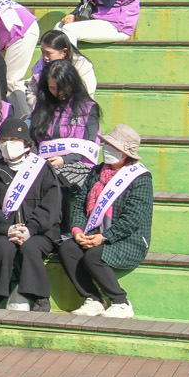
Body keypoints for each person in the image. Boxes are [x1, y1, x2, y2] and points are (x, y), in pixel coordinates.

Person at [0, 118, 65, 312]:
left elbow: (51, 205)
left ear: (26, 144)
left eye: (14, 140)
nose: (8, 145)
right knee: (2, 248)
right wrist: (7, 228)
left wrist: (31, 228)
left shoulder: (42, 169)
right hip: (5, 231)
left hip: (41, 232)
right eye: (4, 140)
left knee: (30, 248)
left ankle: (40, 298)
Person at [59, 124, 153, 318]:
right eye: (108, 145)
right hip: (94, 233)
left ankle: (120, 302)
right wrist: (77, 230)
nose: (108, 149)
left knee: (93, 256)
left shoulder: (140, 178)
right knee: (68, 249)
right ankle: (93, 298)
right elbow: (81, 205)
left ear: (126, 154)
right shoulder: (96, 172)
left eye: (114, 147)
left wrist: (103, 238)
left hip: (127, 239)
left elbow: (132, 219)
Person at [31, 59, 103, 194]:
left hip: (77, 165)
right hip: (45, 163)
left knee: (52, 181)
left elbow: (89, 143)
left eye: (63, 87)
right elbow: (34, 138)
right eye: (52, 88)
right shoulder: (42, 106)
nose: (59, 93)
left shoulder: (88, 108)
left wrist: (64, 159)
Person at [28, 29, 98, 108]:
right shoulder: (41, 65)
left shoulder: (81, 65)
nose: (45, 57)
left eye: (48, 53)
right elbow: (32, 92)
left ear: (64, 52)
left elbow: (86, 95)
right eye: (43, 52)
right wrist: (41, 109)